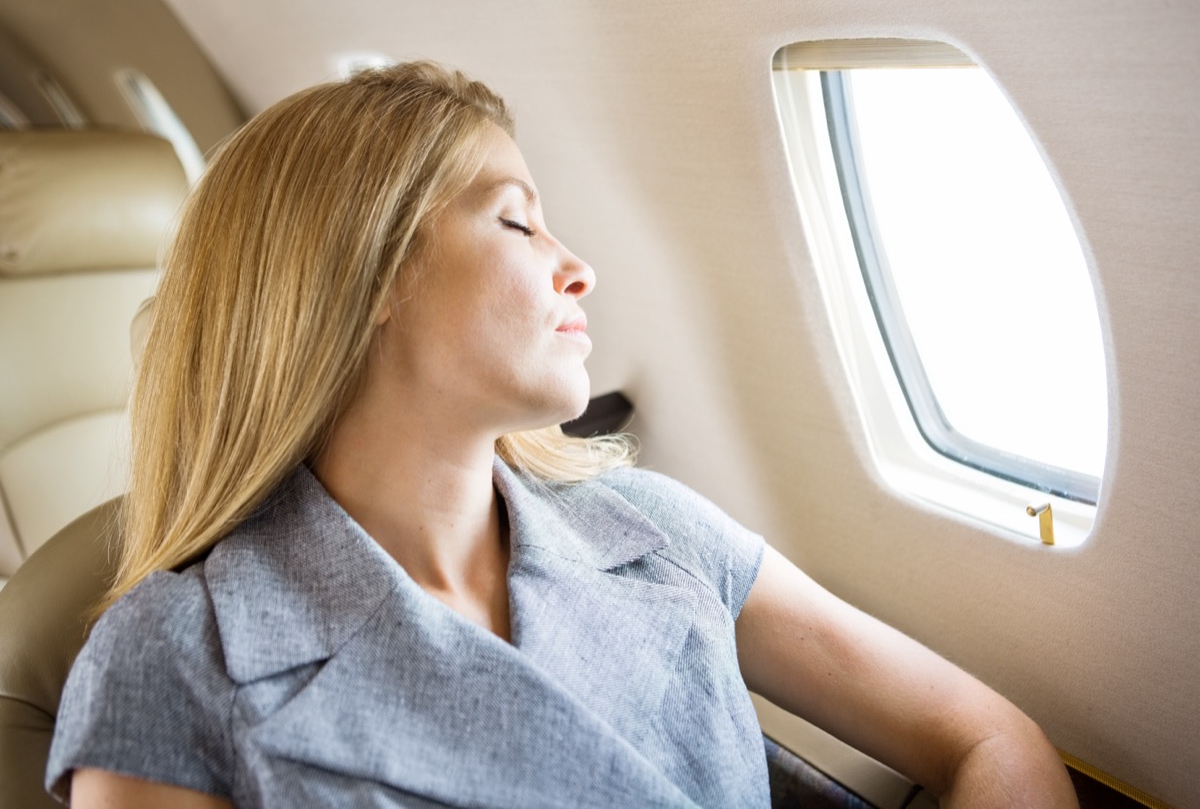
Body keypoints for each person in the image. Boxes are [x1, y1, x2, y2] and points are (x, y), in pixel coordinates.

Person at [46, 62, 1078, 808]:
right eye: (514, 220)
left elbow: (990, 741)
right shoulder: (169, 661)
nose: (576, 264)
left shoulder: (654, 527)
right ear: (364, 277)